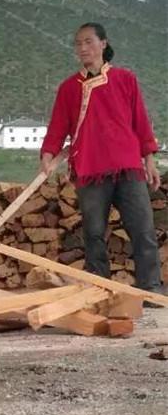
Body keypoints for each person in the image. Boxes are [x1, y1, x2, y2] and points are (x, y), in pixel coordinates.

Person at [40, 22, 163, 296]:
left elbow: (141, 122)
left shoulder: (125, 79)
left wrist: (149, 160)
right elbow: (58, 127)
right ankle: (98, 289)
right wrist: (48, 155)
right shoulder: (69, 88)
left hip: (128, 167)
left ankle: (151, 288)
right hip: (90, 168)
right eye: (78, 43)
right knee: (94, 233)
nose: (83, 47)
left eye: (88, 41)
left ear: (103, 44)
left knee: (142, 230)